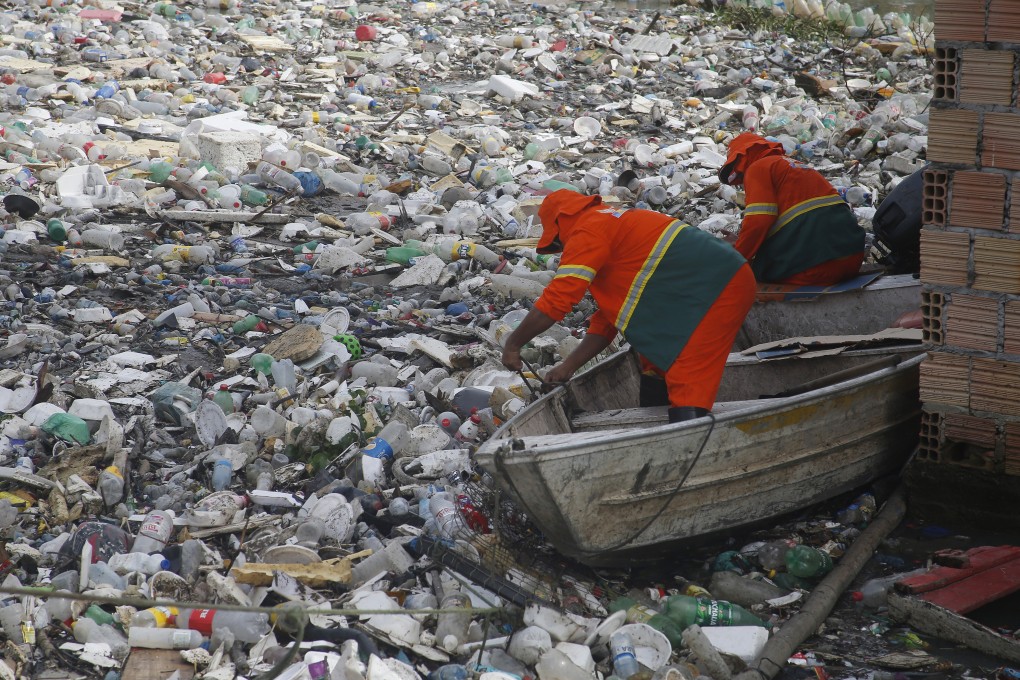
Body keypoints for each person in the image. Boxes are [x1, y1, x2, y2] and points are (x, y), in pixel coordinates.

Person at [500, 189, 756, 423]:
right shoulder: (611, 223)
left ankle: (689, 441)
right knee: (654, 361)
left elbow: (557, 301)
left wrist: (513, 344)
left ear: (559, 224)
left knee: (686, 367)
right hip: (702, 286)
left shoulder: (588, 229)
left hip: (717, 286)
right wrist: (569, 366)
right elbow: (609, 318)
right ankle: (654, 427)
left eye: (557, 244)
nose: (562, 250)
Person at [719, 132, 866, 286]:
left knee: (754, 274)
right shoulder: (793, 165)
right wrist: (742, 240)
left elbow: (758, 222)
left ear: (742, 158)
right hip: (851, 259)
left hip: (817, 266)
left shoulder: (757, 168)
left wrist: (735, 260)